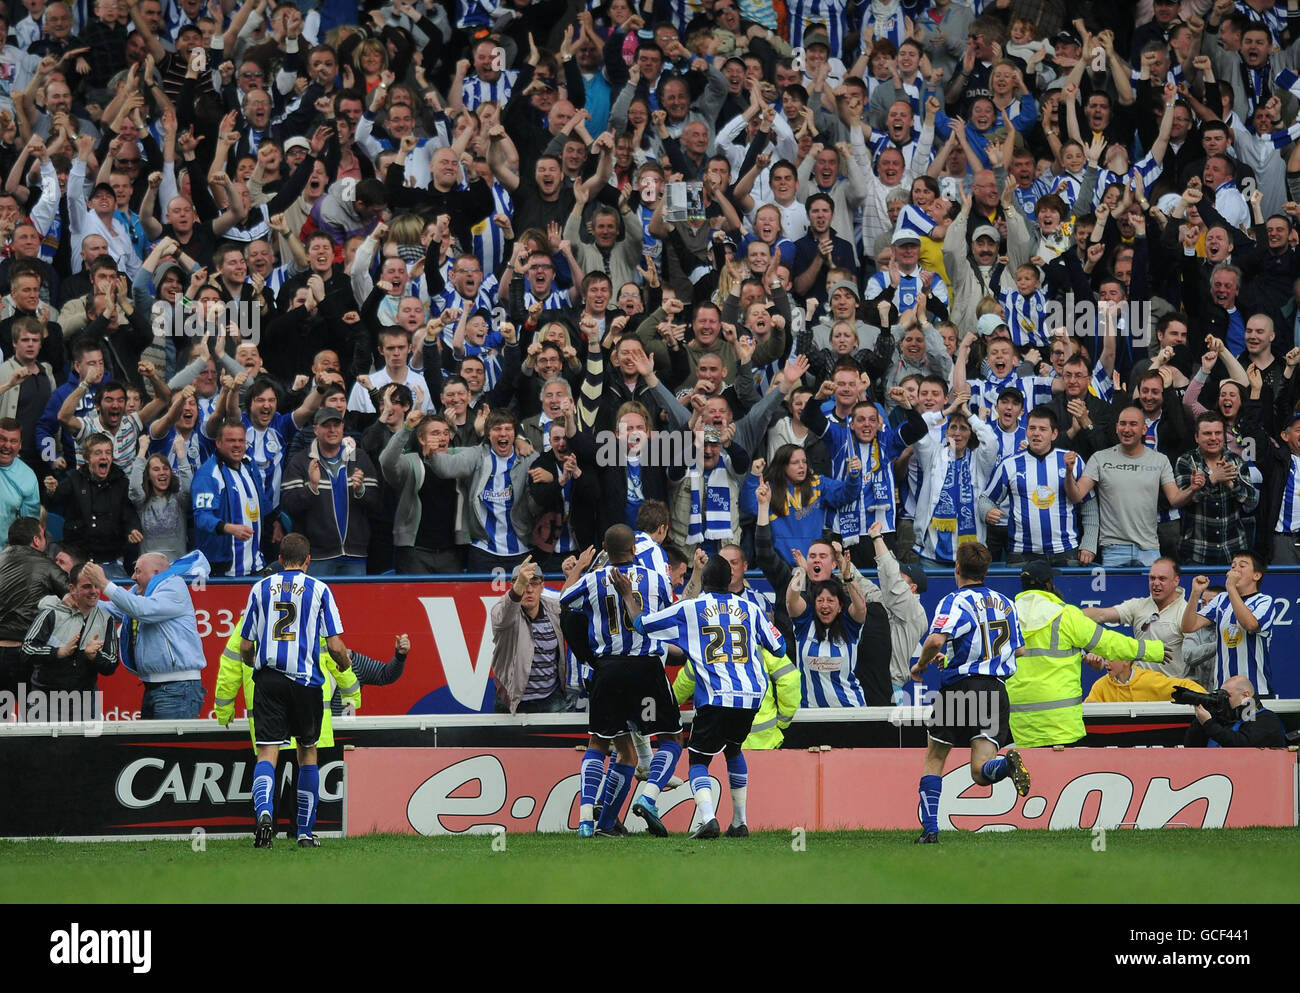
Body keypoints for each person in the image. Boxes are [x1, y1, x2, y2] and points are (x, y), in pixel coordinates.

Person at [614, 554, 785, 839]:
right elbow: (778, 648)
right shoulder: (751, 608)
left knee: (698, 762)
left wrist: (627, 595)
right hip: (751, 695)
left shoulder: (691, 609)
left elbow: (642, 624)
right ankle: (740, 822)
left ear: (704, 580)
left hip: (717, 694)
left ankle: (709, 819)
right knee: (733, 750)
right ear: (730, 580)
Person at [560, 525, 675, 838]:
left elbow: (565, 601)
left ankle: (588, 821)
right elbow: (668, 614)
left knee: (601, 743)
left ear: (605, 551)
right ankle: (646, 798)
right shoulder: (657, 579)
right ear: (635, 550)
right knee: (670, 739)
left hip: (608, 670)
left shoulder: (594, 579)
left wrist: (581, 568)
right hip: (647, 670)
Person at [910, 542, 1029, 845]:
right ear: (986, 570)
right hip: (994, 691)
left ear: (958, 568)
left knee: (935, 757)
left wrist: (922, 665)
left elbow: (936, 640)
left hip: (960, 688)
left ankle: (931, 830)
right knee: (980, 771)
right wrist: (954, 656)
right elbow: (1020, 648)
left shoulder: (955, 600)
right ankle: (1005, 764)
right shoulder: (1006, 602)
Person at [238, 533, 352, 849]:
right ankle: (304, 832)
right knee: (307, 753)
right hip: (305, 682)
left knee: (267, 752)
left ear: (280, 557)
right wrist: (344, 665)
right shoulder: (319, 590)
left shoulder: (259, 588)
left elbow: (246, 645)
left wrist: (253, 663)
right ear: (308, 560)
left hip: (269, 681)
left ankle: (264, 814)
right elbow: (335, 644)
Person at [1010, 560, 1165, 748]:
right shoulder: (1065, 615)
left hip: (1020, 724)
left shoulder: (1006, 616)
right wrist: (1155, 650)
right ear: (1049, 584)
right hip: (1061, 725)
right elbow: (1110, 644)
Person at [81, 550, 206, 718]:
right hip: (154, 686)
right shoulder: (139, 592)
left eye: (138, 571)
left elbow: (142, 609)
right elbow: (110, 610)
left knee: (169, 745)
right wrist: (79, 600)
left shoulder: (174, 585)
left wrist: (103, 583)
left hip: (178, 688)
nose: (133, 576)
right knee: (152, 745)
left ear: (157, 573)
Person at [1181, 553, 1283, 698]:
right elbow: (1188, 627)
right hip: (1222, 691)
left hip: (1254, 691)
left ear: (1256, 575)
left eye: (1242, 566)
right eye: (1233, 566)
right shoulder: (1221, 599)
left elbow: (1250, 624)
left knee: (1249, 721)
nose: (1235, 570)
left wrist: (1231, 587)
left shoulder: (1264, 601)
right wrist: (1195, 593)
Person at [22, 560, 118, 701]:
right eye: (87, 586)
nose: (94, 591)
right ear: (72, 588)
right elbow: (27, 650)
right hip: (46, 699)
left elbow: (111, 664)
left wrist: (94, 656)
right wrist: (58, 652)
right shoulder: (51, 613)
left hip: (85, 700)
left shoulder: (106, 619)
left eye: (97, 586)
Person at [489, 555, 573, 713]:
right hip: (512, 701)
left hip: (551, 698)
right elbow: (506, 614)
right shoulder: (500, 611)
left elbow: (569, 603)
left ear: (542, 587)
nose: (529, 590)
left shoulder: (553, 609)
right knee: (506, 739)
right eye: (524, 584)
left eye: (534, 584)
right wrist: (518, 586)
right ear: (513, 586)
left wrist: (571, 575)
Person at [1083, 558, 1191, 677]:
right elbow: (1101, 614)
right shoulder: (1138, 605)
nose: (1155, 583)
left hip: (1170, 689)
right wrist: (1069, 614)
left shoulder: (1186, 612)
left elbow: (1194, 655)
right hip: (1137, 687)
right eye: (1152, 578)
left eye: (1162, 579)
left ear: (1176, 581)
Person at [1182, 676, 1288, 748]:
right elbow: (1191, 747)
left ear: (1246, 695)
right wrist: (1200, 721)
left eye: (1227, 696)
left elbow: (1241, 745)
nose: (1224, 700)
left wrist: (1208, 724)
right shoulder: (1221, 720)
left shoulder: (1266, 719)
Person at [1085, 654, 1205, 703]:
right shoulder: (1100, 686)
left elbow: (1184, 685)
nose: (1106, 663)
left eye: (1110, 659)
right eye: (1104, 659)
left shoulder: (1149, 680)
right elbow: (1089, 710)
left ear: (1126, 661)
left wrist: (1205, 698)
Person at [0, 418, 40, 536]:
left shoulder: (28, 477)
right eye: (2, 439)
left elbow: (29, 526)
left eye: (13, 441)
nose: (7, 445)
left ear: (20, 445)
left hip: (5, 552)